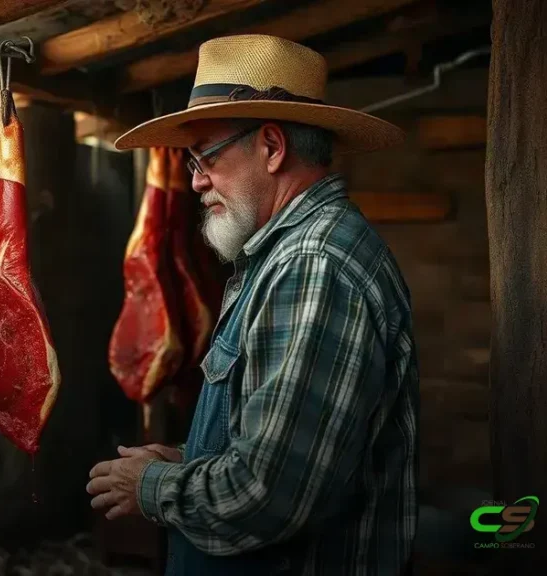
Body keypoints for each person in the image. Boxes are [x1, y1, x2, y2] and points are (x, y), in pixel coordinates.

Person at [87, 34, 419, 575]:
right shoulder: (288, 254)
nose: (196, 181)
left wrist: (150, 486)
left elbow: (271, 494)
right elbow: (284, 449)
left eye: (205, 156)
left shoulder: (313, 266)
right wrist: (193, 458)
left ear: (271, 147)